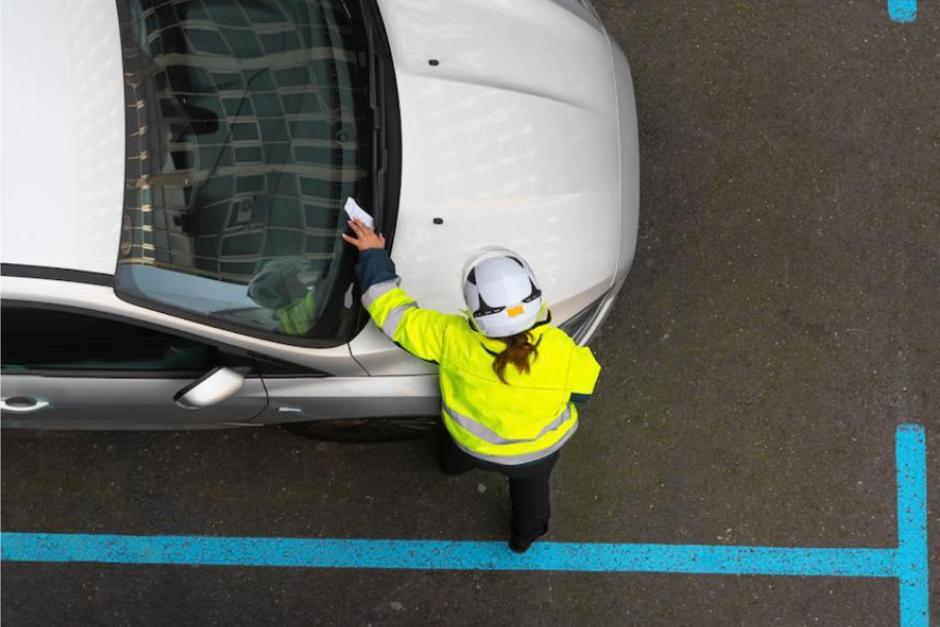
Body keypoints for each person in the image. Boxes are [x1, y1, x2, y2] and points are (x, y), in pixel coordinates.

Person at [342, 218, 601, 553]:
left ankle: (451, 468)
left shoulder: (452, 339)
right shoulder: (563, 353)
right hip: (535, 454)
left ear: (475, 309)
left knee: (454, 456)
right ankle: (523, 540)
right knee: (532, 497)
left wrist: (374, 255)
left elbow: (394, 315)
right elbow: (583, 393)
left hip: (468, 444)